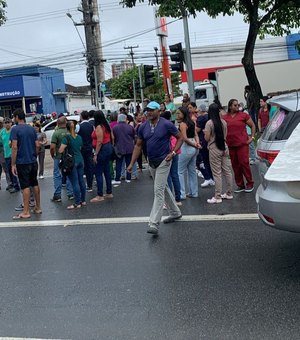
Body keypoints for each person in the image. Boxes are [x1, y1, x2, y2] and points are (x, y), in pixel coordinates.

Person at [127, 101, 183, 235]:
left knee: (158, 191)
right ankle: (175, 212)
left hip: (164, 160)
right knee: (163, 188)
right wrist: (131, 163)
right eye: (148, 110)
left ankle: (153, 223)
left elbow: (180, 138)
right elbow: (138, 146)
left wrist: (173, 152)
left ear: (159, 111)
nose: (149, 112)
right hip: (151, 162)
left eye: (152, 110)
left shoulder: (166, 124)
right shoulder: (143, 127)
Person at [10, 109, 42, 219]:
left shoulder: (15, 129)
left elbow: (14, 147)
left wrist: (13, 163)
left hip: (22, 161)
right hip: (32, 160)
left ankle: (26, 211)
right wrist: (34, 155)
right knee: (35, 183)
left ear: (17, 117)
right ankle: (38, 207)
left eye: (14, 117)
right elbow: (37, 144)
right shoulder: (31, 128)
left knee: (25, 186)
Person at [223, 99, 256, 193]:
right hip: (231, 145)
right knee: (235, 165)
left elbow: (253, 125)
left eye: (238, 105)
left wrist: (252, 137)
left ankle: (250, 183)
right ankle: (240, 185)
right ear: (230, 107)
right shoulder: (225, 117)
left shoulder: (243, 115)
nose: (237, 107)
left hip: (242, 144)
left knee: (244, 163)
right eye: (235, 105)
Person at [204, 103, 233, 203]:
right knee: (227, 171)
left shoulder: (209, 123)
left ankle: (217, 196)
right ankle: (229, 193)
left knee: (217, 173)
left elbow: (207, 138)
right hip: (224, 147)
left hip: (214, 148)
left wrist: (205, 134)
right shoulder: (223, 122)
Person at [59, 121, 86, 209]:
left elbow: (61, 150)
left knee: (75, 182)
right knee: (81, 180)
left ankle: (77, 202)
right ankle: (83, 200)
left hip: (72, 161)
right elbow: (81, 147)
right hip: (80, 159)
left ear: (67, 128)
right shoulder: (80, 137)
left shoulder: (67, 137)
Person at [177, 106, 201, 199]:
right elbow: (196, 135)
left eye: (179, 113)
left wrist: (194, 144)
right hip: (194, 145)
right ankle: (194, 192)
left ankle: (182, 194)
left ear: (183, 114)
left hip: (187, 147)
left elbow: (184, 138)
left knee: (180, 171)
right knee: (192, 171)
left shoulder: (182, 124)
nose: (177, 115)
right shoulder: (191, 122)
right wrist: (197, 143)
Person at [90, 110, 113, 203]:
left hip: (102, 149)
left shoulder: (99, 127)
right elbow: (112, 137)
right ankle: (109, 192)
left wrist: (96, 154)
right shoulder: (106, 125)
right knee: (107, 170)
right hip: (108, 147)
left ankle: (100, 194)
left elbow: (99, 141)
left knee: (98, 171)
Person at [50, 116, 73, 202]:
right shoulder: (70, 132)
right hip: (69, 157)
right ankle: (70, 193)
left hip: (58, 157)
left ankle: (57, 195)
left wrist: (53, 155)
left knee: (57, 175)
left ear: (58, 123)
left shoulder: (56, 133)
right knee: (69, 175)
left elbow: (52, 147)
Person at [112, 113, 135, 184]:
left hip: (119, 148)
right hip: (129, 147)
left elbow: (113, 138)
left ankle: (117, 179)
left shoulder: (115, 128)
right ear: (125, 119)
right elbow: (134, 136)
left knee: (118, 164)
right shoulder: (130, 127)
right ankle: (128, 178)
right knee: (129, 163)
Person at [196, 104, 215, 187]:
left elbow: (197, 129)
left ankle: (208, 177)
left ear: (200, 110)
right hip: (210, 140)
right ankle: (211, 178)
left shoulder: (201, 118)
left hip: (202, 140)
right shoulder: (210, 117)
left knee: (203, 160)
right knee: (209, 161)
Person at [0, 117, 20, 193]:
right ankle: (12, 184)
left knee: (13, 170)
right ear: (4, 124)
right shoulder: (2, 132)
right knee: (8, 170)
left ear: (11, 123)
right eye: (5, 123)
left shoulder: (13, 131)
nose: (7, 124)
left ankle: (16, 185)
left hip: (13, 153)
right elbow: (1, 141)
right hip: (6, 154)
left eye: (8, 122)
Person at [78, 110, 94, 192]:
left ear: (81, 117)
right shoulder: (91, 126)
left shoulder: (79, 126)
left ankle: (82, 185)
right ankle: (90, 184)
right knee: (89, 166)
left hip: (81, 148)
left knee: (82, 166)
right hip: (90, 147)